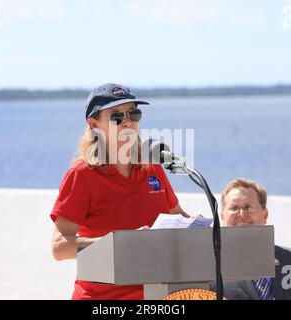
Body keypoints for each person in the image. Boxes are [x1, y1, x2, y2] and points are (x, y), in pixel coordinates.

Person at [49, 83, 192, 300]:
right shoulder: (81, 174)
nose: (127, 122)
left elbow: (178, 217)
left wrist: (203, 226)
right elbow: (60, 247)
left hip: (158, 297)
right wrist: (119, 243)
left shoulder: (152, 166)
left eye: (133, 114)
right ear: (94, 124)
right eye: (116, 116)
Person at [215, 178, 291, 300]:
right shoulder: (210, 269)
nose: (242, 213)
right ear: (222, 216)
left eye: (249, 207)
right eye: (234, 208)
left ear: (265, 215)